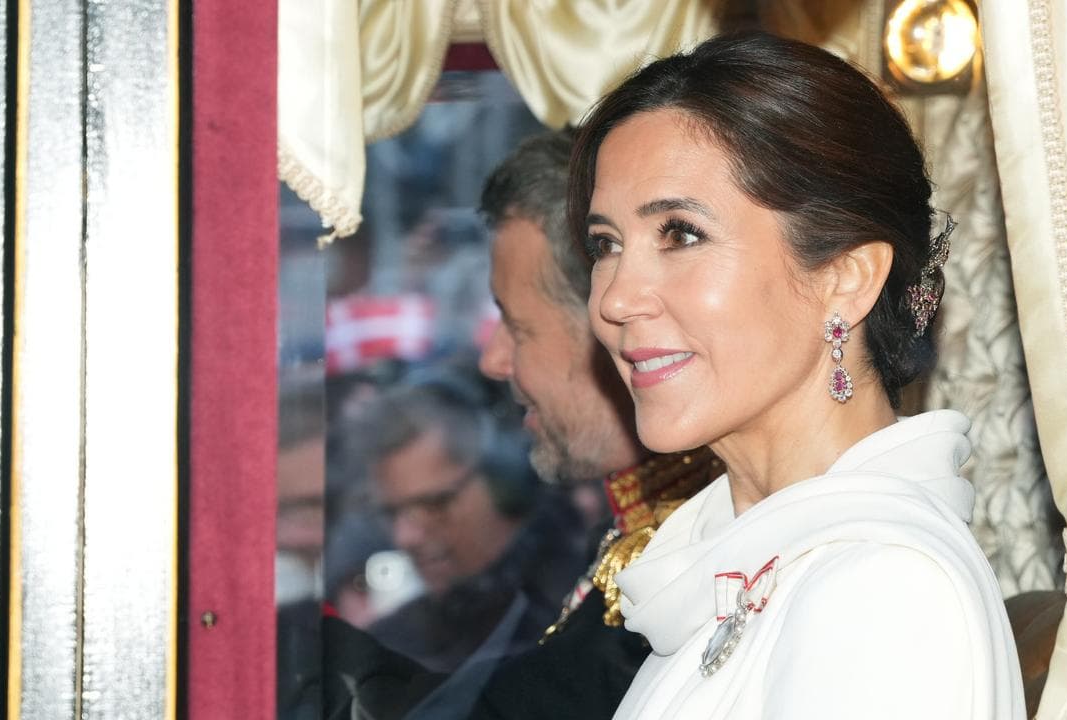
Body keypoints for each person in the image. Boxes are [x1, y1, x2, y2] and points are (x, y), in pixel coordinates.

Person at [568, 33, 1024, 719]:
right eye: (606, 245)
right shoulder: (739, 570)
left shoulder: (887, 589)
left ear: (846, 278)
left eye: (680, 234)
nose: (614, 299)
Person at [322, 131, 721, 719]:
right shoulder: (641, 531)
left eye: (518, 325)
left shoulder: (714, 552)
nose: (493, 359)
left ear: (608, 328)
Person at [354, 377, 584, 674]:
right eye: (391, 513)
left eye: (435, 504)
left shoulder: (586, 607)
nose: (405, 537)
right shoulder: (387, 646)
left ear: (505, 481)